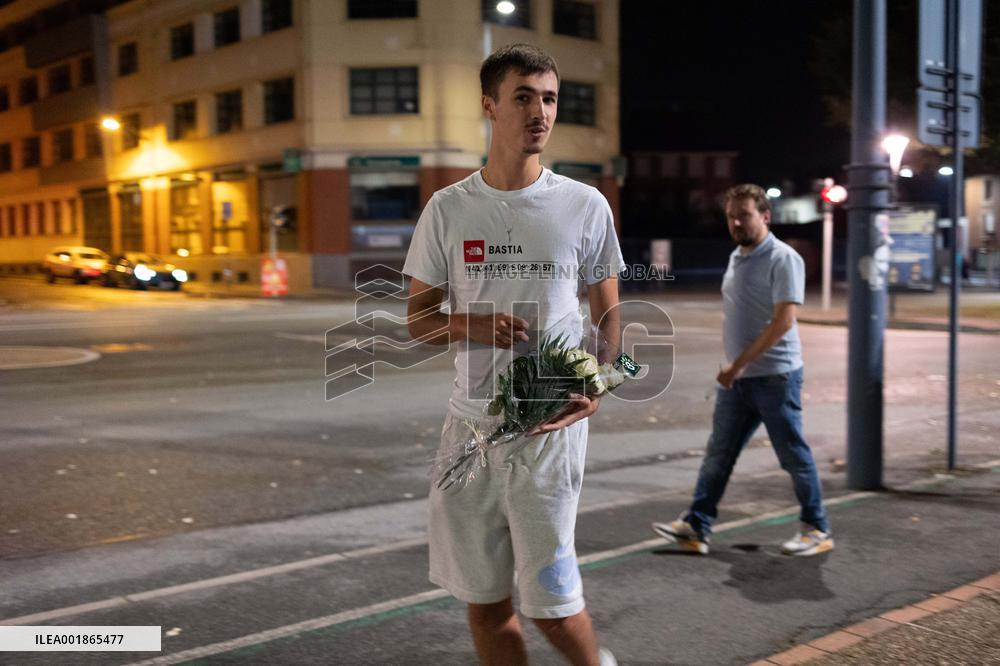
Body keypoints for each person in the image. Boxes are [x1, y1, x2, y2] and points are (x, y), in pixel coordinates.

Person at [403, 44, 624, 666]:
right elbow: (416, 325)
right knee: (484, 602)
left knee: (551, 606)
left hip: (546, 431)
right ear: (489, 105)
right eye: (524, 96)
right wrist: (467, 322)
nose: (540, 111)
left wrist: (606, 382)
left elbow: (610, 316)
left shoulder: (584, 206)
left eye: (550, 98)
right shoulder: (448, 210)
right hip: (467, 429)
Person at [652, 184, 833, 557]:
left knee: (793, 455)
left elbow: (783, 322)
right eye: (731, 216)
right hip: (740, 380)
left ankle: (817, 529)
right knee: (718, 454)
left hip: (774, 377)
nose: (736, 222)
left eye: (745, 215)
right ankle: (696, 528)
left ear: (765, 216)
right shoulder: (738, 256)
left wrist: (738, 364)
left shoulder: (783, 258)